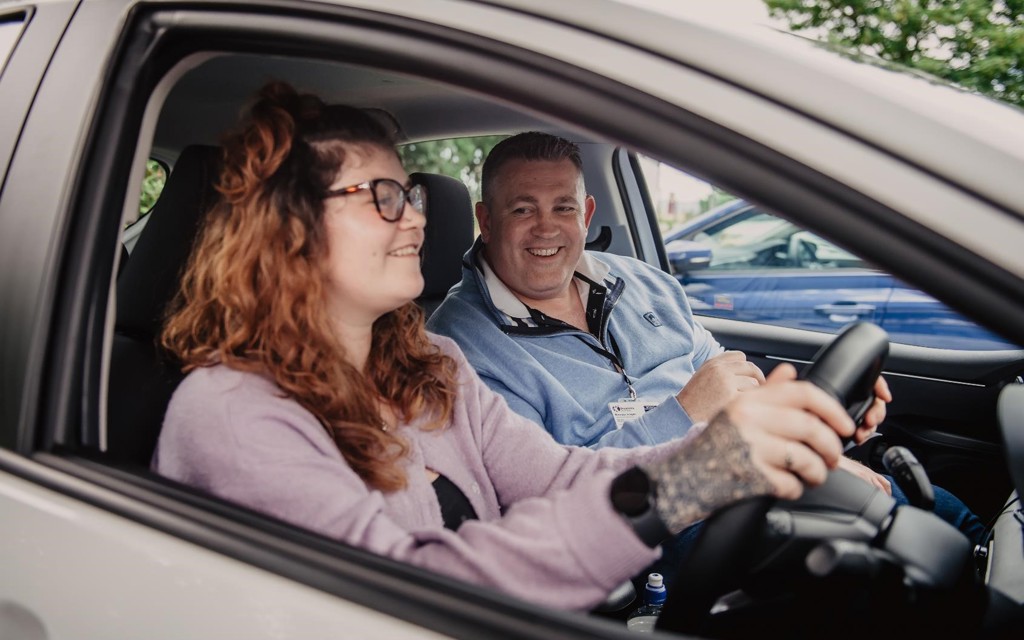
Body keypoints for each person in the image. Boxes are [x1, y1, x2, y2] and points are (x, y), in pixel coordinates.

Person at [151, 82, 869, 612]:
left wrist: (731, 449)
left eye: (413, 196)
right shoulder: (229, 415)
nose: (416, 222)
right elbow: (404, 595)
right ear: (289, 229)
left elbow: (562, 477)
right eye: (384, 198)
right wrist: (684, 483)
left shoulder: (427, 370)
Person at [426, 131, 987, 547]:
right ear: (487, 219)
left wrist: (816, 429)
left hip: (743, 475)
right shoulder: (461, 344)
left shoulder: (641, 281)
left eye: (563, 207)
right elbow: (544, 491)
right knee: (903, 549)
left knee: (942, 514)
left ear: (587, 212)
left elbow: (735, 386)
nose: (546, 228)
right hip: (651, 531)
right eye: (523, 209)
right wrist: (682, 412)